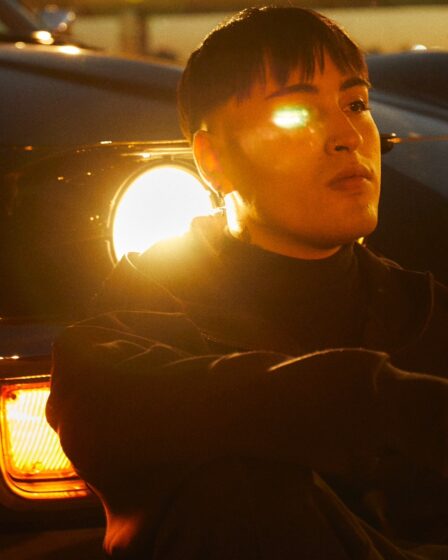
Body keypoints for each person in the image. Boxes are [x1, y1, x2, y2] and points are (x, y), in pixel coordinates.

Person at [47, 7, 448, 559]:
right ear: (213, 159)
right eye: (296, 112)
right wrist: (384, 402)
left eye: (356, 104)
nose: (348, 135)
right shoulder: (149, 314)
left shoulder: (425, 312)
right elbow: (100, 399)